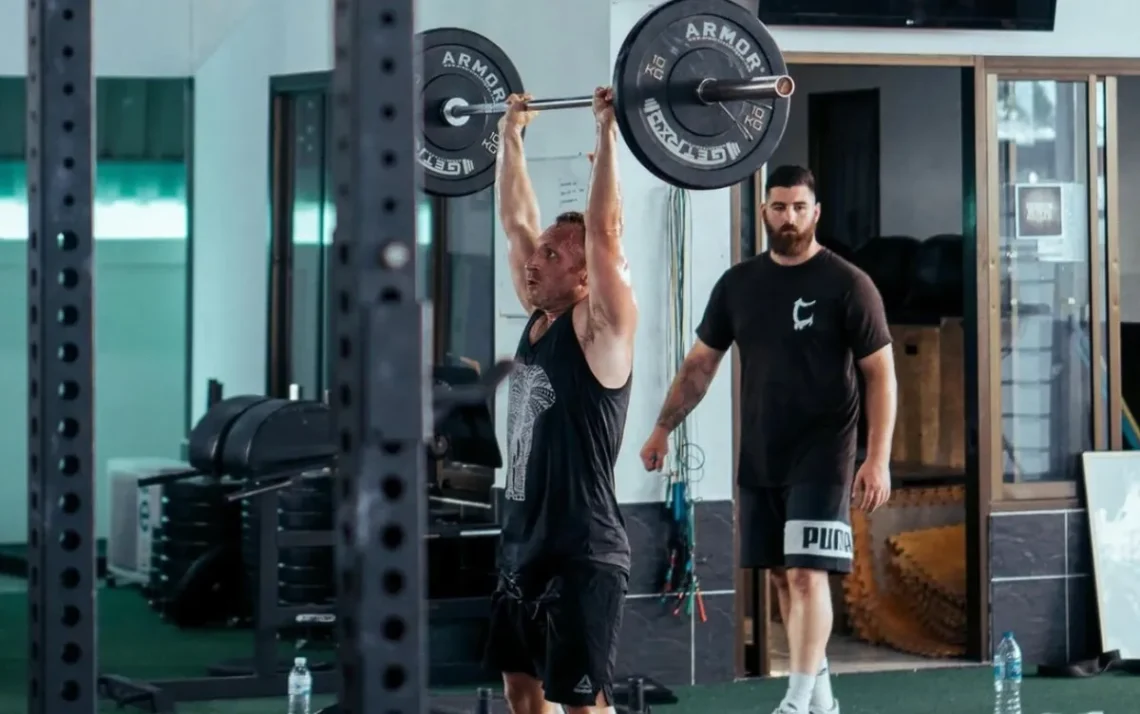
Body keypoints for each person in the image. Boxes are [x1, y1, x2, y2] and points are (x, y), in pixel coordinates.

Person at [639, 165, 897, 714]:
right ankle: (823, 699)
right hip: (762, 449)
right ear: (763, 210)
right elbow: (699, 367)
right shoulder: (740, 285)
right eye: (779, 207)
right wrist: (663, 426)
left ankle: (797, 699)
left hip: (825, 452)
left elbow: (881, 374)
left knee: (807, 573)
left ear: (816, 212)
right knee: (783, 575)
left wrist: (877, 459)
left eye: (799, 207)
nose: (789, 218)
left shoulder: (848, 284)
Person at [483, 87, 637, 714]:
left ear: (584, 277)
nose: (533, 261)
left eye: (552, 254)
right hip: (521, 544)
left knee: (581, 706)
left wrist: (607, 136)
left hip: (583, 553)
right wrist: (509, 138)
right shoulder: (540, 317)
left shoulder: (599, 329)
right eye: (539, 253)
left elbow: (603, 233)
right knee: (523, 694)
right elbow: (516, 220)